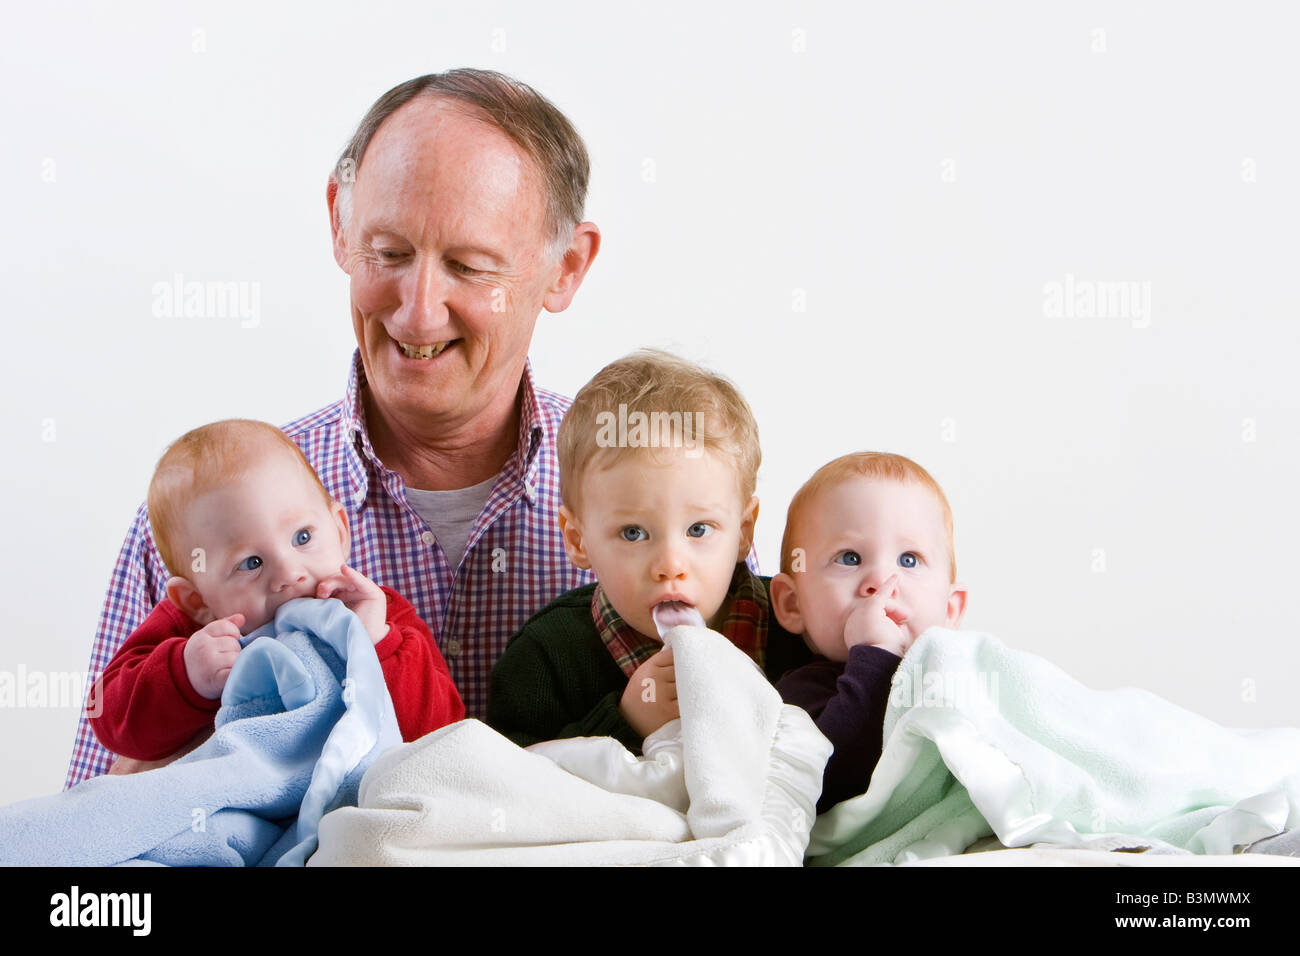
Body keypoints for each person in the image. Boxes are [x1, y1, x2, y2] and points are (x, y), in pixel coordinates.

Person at [66, 68, 601, 787]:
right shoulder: (205, 516)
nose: (417, 312)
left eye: (470, 268)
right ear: (339, 225)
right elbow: (94, 852)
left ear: (565, 268)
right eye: (388, 253)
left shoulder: (665, 503)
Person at [486, 350, 812, 754]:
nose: (670, 565)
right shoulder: (545, 659)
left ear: (744, 531)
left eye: (698, 529)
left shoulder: (798, 629)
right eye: (634, 533)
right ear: (578, 540)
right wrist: (625, 722)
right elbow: (506, 783)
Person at [87, 420, 464, 764]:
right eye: (251, 563)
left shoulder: (375, 615)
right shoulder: (193, 633)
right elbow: (106, 714)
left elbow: (440, 737)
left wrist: (376, 645)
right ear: (198, 600)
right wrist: (186, 677)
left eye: (303, 537)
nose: (289, 573)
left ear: (340, 531)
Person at [770, 452, 968, 813]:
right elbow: (828, 779)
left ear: (950, 608)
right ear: (792, 604)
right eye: (849, 558)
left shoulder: (967, 675)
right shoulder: (800, 698)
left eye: (909, 559)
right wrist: (876, 654)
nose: (881, 581)